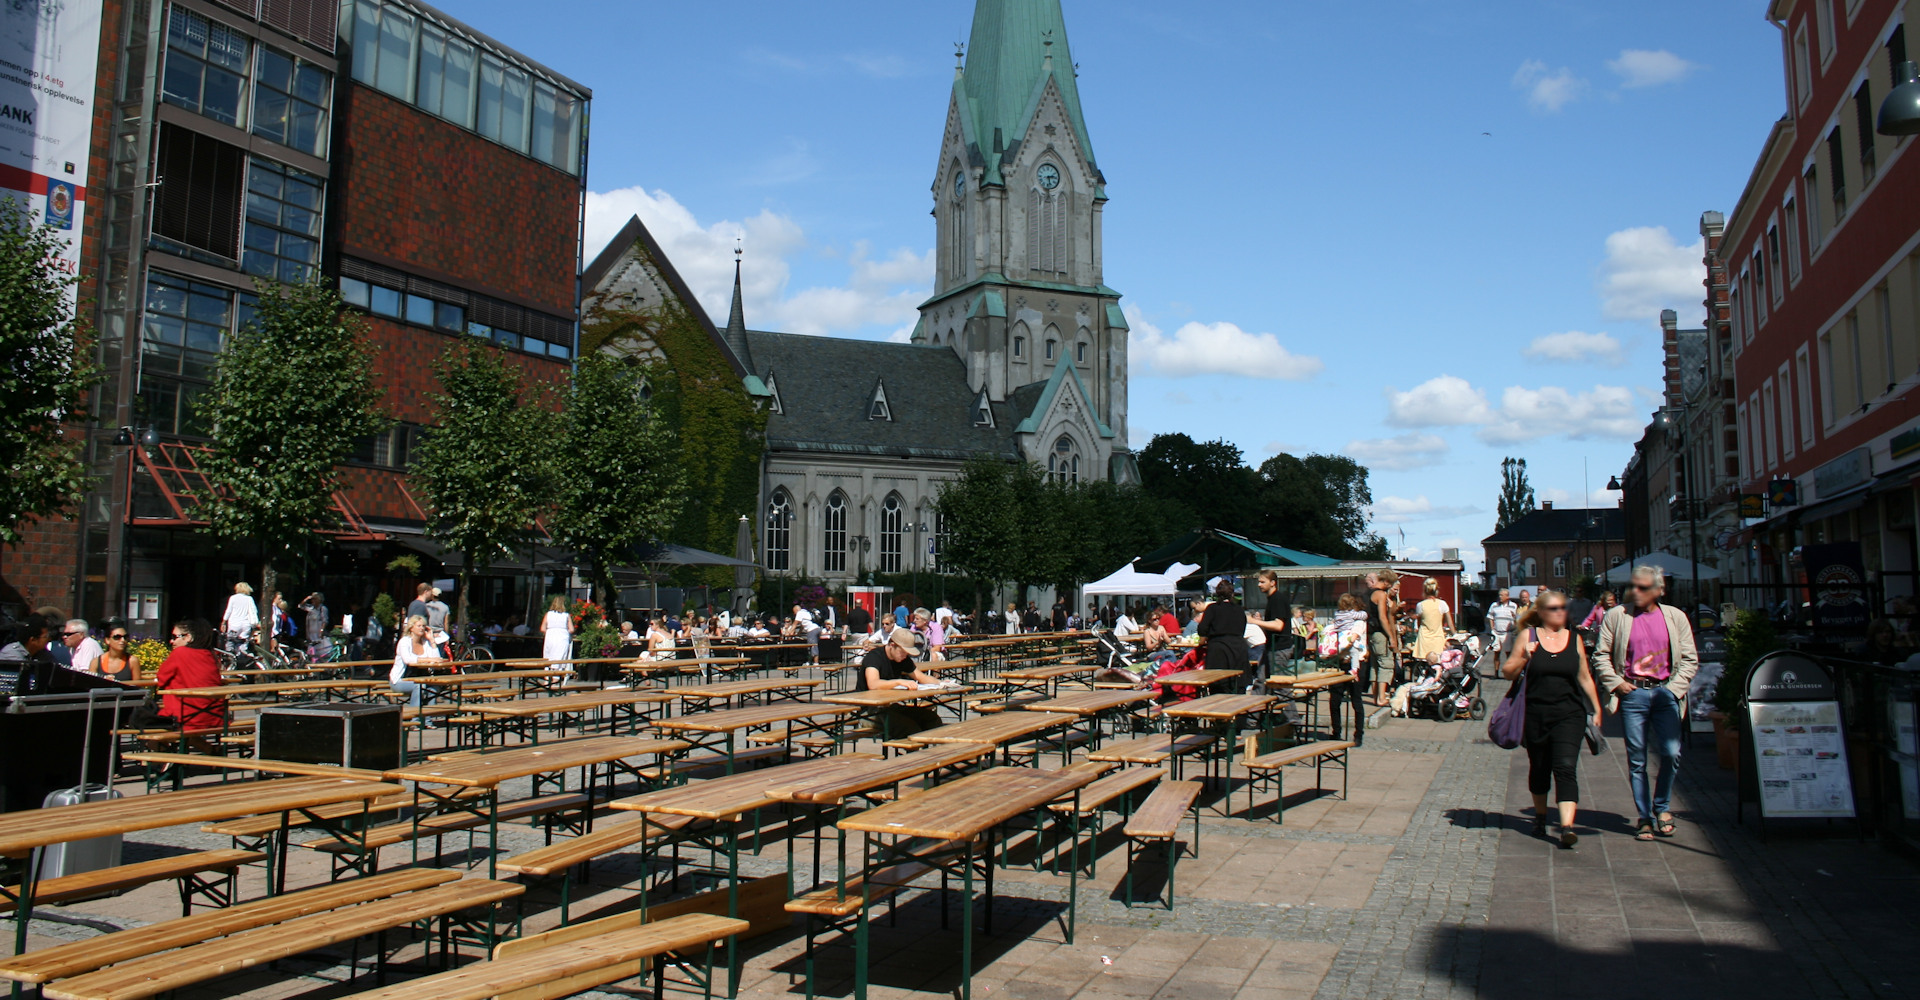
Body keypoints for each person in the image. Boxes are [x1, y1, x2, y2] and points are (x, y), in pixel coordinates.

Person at [1589, 566, 1698, 842]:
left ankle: (1661, 806)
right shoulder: (1617, 616)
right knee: (1637, 759)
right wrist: (1618, 684)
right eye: (1632, 586)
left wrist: (1674, 690)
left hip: (1665, 693)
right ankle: (1645, 817)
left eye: (1642, 587)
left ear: (1659, 591)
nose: (1634, 591)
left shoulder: (1675, 617)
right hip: (1633, 694)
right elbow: (1600, 655)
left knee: (1671, 753)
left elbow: (1689, 658)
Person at [1501, 590, 1602, 849]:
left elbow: (1583, 676)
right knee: (1540, 768)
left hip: (1570, 713)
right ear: (1542, 613)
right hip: (1536, 713)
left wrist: (1596, 707)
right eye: (1554, 608)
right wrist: (1525, 657)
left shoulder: (1574, 638)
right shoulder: (1528, 636)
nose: (1560, 612)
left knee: (1566, 767)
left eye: (1563, 608)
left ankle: (1567, 827)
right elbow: (1508, 673)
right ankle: (1541, 816)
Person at [856, 627, 942, 736]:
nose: (905, 656)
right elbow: (873, 684)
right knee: (910, 728)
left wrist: (941, 683)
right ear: (892, 645)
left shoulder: (902, 658)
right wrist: (899, 682)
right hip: (869, 712)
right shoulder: (874, 657)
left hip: (890, 706)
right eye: (903, 652)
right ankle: (915, 752)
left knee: (931, 718)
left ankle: (935, 751)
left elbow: (921, 677)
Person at [156, 619, 226, 740]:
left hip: (187, 717)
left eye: (175, 636)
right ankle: (209, 749)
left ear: (188, 637)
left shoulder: (180, 653)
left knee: (147, 728)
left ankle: (165, 755)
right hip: (214, 716)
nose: (171, 641)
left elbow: (161, 679)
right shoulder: (210, 654)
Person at [1197, 578, 1250, 675]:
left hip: (1218, 649)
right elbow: (1243, 627)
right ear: (1232, 594)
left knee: (1218, 682)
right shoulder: (1239, 610)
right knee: (1237, 682)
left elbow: (1202, 629)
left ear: (1217, 594)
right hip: (1238, 648)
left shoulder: (1212, 608)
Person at [389, 615, 440, 709]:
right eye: (419, 626)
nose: (422, 628)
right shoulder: (404, 642)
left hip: (421, 678)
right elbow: (407, 659)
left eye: (423, 626)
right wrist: (428, 660)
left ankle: (428, 721)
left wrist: (432, 640)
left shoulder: (425, 643)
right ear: (411, 628)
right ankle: (415, 719)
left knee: (433, 688)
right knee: (419, 686)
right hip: (400, 680)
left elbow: (436, 660)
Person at [1366, 571, 1402, 707]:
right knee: (1386, 665)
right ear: (1386, 582)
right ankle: (1381, 698)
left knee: (1375, 666)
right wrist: (1392, 637)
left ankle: (1376, 697)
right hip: (1381, 634)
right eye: (1391, 584)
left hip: (1372, 634)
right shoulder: (1381, 594)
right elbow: (1383, 617)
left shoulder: (1369, 593)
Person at [1250, 571, 1294, 671]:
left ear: (1273, 583)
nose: (1259, 585)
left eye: (1262, 582)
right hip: (1271, 647)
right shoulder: (1272, 598)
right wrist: (1261, 622)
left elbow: (1278, 625)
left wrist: (1254, 621)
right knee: (1262, 680)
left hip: (1279, 648)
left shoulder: (1277, 599)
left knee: (1278, 683)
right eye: (1259, 582)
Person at [1411, 578, 1454, 662]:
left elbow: (1419, 623)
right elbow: (1450, 622)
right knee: (1438, 664)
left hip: (1424, 640)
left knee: (1423, 664)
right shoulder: (1442, 604)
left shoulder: (1420, 605)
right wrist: (1454, 635)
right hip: (1438, 640)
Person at [219, 582, 257, 659]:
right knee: (243, 645)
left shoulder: (233, 598)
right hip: (246, 625)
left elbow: (228, 611)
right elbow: (253, 611)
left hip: (234, 624)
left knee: (230, 643)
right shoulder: (249, 599)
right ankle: (241, 661)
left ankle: (230, 660)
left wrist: (224, 622)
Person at [541, 596, 574, 664]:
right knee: (561, 657)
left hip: (550, 636)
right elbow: (571, 629)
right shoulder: (566, 615)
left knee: (549, 656)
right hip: (562, 637)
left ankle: (548, 672)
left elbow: (542, 628)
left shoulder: (548, 614)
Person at [1487, 588, 1519, 657]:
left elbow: (1516, 619)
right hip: (1497, 633)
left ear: (1507, 596)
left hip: (1507, 633)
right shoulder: (1494, 605)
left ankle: (1509, 667)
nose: (1500, 597)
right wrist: (1492, 630)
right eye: (1499, 595)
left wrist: (1514, 627)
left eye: (1502, 595)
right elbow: (1491, 618)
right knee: (1496, 653)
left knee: (1508, 653)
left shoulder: (1513, 606)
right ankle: (1496, 668)